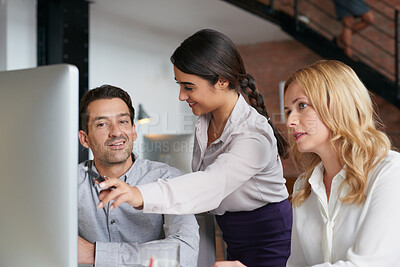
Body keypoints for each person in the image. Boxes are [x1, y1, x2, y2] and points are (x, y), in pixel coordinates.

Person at [95, 29, 293, 267]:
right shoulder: (205, 121)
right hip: (234, 236)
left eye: (188, 87)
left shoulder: (254, 135)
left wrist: (138, 194)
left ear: (222, 81)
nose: (181, 96)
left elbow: (211, 184)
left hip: (269, 238)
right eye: (179, 85)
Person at [284, 60, 400, 266]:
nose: (290, 121)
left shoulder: (389, 172)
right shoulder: (304, 187)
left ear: (337, 104)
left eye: (301, 105)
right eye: (287, 111)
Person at [77, 85, 199, 266]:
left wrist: (94, 254)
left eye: (123, 122)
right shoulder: (67, 184)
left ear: (134, 131)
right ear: (85, 139)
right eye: (102, 124)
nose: (116, 132)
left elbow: (185, 253)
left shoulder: (167, 178)